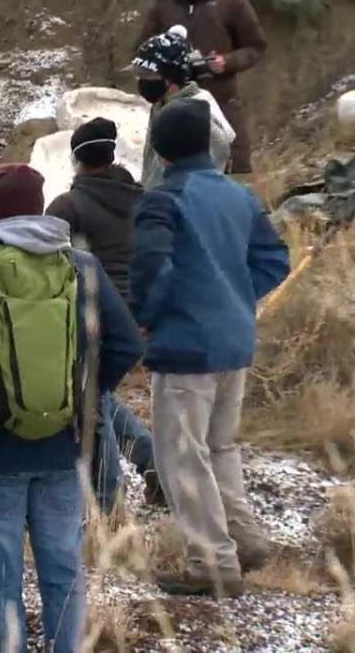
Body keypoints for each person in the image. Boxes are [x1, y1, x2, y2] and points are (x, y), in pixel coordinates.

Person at [0, 165, 144, 652]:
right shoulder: (82, 267)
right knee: (64, 573)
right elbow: (127, 343)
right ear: (41, 205)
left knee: (1, 581)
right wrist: (86, 401)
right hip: (64, 446)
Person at [131, 100, 290, 597]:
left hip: (185, 344)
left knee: (181, 454)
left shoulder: (162, 199)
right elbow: (275, 260)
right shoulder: (238, 197)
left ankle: (213, 563)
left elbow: (151, 270)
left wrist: (149, 319)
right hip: (234, 338)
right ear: (206, 143)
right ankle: (244, 539)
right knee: (219, 446)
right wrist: (235, 295)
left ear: (158, 147)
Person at [46, 119, 163, 512]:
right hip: (138, 315)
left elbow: (47, 264)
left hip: (91, 314)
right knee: (98, 394)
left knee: (92, 403)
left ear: (77, 158)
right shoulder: (143, 198)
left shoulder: (68, 206)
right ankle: (152, 466)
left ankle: (107, 503)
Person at [137, 0, 267, 176]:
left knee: (234, 171)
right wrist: (165, 67)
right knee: (168, 175)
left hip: (221, 102)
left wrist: (227, 61)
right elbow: (141, 50)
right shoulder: (163, 5)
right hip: (172, 105)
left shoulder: (233, 4)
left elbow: (255, 46)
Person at [132, 26, 236, 189]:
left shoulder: (197, 112)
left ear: (170, 77)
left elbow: (218, 157)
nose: (141, 81)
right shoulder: (161, 104)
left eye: (147, 75)